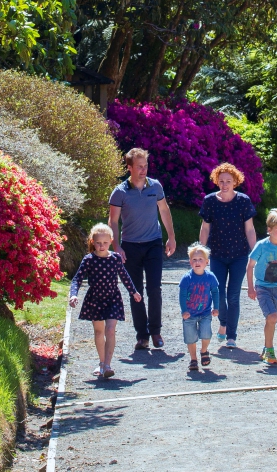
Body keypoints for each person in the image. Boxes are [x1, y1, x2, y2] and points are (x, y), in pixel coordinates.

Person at [108, 148, 176, 350]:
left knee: (154, 289)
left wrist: (171, 237)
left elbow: (164, 210)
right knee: (135, 291)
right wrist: (116, 247)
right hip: (130, 247)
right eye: (139, 166)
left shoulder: (155, 186)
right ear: (129, 168)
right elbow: (113, 220)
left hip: (153, 243)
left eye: (145, 165)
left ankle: (155, 331)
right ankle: (142, 335)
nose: (143, 170)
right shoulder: (120, 192)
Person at [69, 223, 142, 379]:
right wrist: (73, 295)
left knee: (110, 330)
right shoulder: (89, 259)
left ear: (111, 241)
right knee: (99, 331)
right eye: (98, 243)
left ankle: (108, 365)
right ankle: (101, 363)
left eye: (105, 243)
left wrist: (133, 292)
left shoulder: (115, 258)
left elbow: (124, 276)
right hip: (95, 299)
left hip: (112, 298)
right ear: (92, 242)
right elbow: (77, 279)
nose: (101, 246)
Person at [198, 163, 256, 349]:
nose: (224, 184)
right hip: (217, 254)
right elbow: (205, 228)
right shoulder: (210, 201)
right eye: (221, 181)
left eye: (228, 181)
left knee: (233, 296)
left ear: (235, 182)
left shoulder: (243, 201)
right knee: (219, 294)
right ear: (216, 181)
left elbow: (250, 229)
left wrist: (255, 251)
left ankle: (232, 335)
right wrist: (201, 251)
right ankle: (223, 323)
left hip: (239, 254)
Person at [246, 210, 277, 366]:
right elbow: (250, 267)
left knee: (273, 320)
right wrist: (251, 288)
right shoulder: (261, 246)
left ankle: (266, 348)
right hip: (262, 287)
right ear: (269, 230)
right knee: (272, 317)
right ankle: (270, 350)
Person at [179, 243, 220, 372]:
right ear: (190, 262)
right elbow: (182, 295)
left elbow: (215, 292)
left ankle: (204, 351)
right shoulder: (186, 278)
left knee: (206, 334)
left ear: (207, 262)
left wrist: (216, 307)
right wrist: (184, 310)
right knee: (190, 338)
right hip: (190, 314)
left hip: (205, 312)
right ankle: (193, 359)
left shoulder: (210, 277)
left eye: (200, 259)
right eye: (194, 260)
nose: (197, 262)